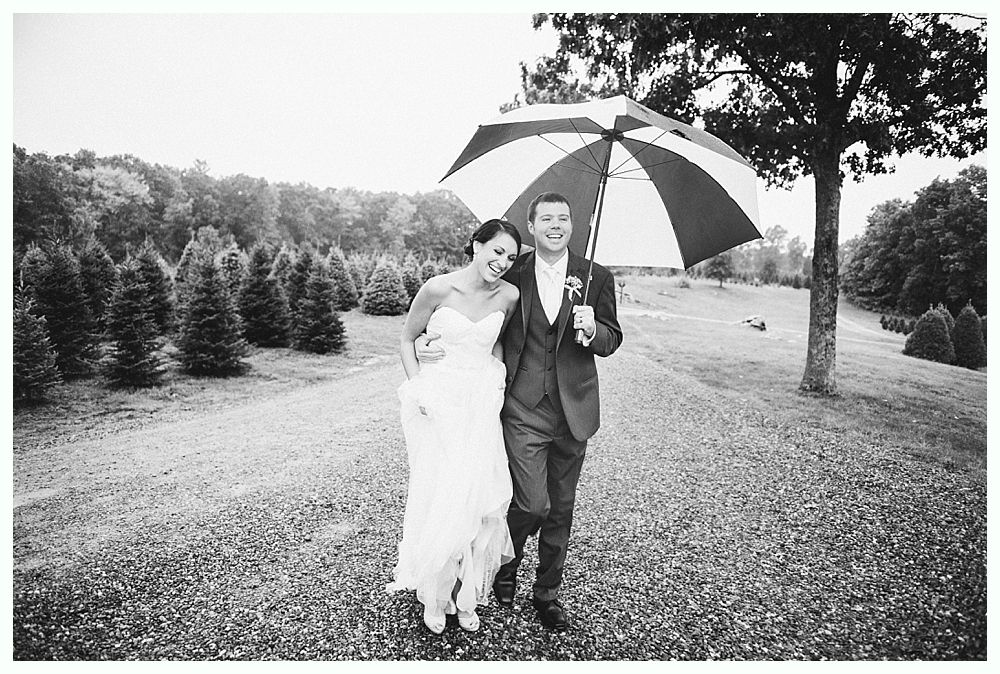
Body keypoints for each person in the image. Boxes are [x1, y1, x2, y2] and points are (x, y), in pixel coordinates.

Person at [417, 192, 623, 631]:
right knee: (530, 503)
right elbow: (473, 318)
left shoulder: (597, 278)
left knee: (561, 508)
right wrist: (424, 341)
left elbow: (613, 338)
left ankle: (547, 593)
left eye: (563, 218)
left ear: (574, 225)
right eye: (545, 218)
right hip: (523, 407)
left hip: (575, 409)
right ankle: (506, 566)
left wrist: (593, 330)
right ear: (531, 226)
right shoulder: (514, 271)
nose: (555, 225)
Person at [387, 219, 522, 635]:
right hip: (438, 403)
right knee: (442, 493)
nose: (502, 262)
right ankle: (435, 593)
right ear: (476, 245)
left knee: (478, 498)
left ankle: (466, 596)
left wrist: (496, 379)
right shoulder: (437, 288)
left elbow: (495, 343)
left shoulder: (510, 296)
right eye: (496, 251)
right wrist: (419, 390)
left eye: (511, 257)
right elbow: (408, 340)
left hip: (481, 405)